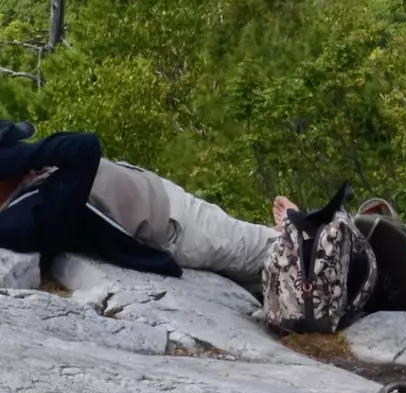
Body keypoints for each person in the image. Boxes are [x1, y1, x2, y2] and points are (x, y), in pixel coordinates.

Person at [0, 120, 294, 287]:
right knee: (288, 254)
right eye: (17, 149)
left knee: (262, 273)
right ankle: (303, 236)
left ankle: (282, 235)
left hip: (159, 201)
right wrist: (18, 160)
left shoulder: (21, 198)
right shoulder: (25, 219)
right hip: (173, 225)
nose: (26, 151)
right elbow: (84, 146)